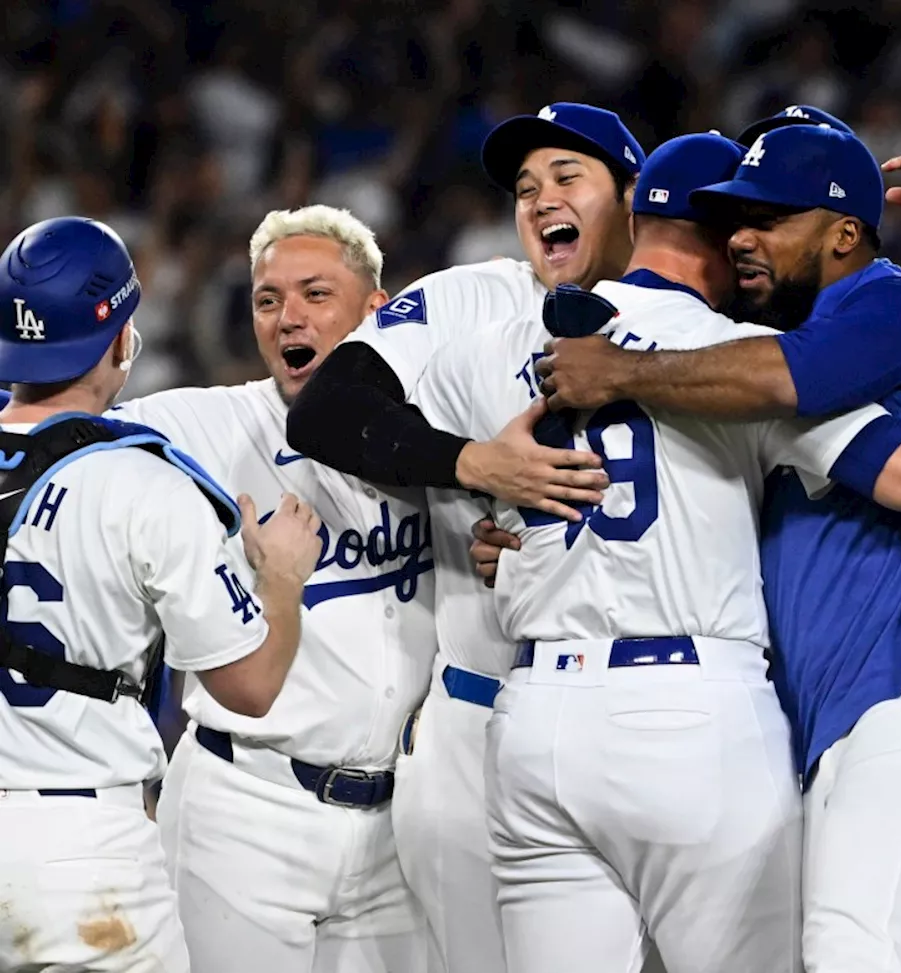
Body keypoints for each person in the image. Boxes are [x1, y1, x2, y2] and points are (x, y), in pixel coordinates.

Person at [328, 131, 901, 973]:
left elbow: (330, 413)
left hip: (534, 716)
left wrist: (473, 477)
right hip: (692, 711)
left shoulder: (499, 342)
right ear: (717, 240)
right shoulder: (730, 362)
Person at [535, 124, 901, 973]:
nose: (742, 237)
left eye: (769, 219)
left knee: (853, 948)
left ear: (843, 232)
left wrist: (618, 371)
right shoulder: (765, 360)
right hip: (849, 714)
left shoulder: (879, 309)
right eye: (734, 220)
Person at [111, 205, 594, 973]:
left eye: (313, 294)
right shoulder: (211, 424)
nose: (286, 317)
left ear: (377, 316)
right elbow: (59, 426)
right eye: (268, 299)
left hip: (392, 827)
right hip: (247, 807)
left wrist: (509, 552)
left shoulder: (439, 439)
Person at [287, 103, 642, 973]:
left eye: (568, 177)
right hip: (481, 722)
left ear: (634, 197)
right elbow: (326, 411)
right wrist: (475, 464)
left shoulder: (692, 322)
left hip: (658, 715)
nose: (539, 199)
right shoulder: (466, 297)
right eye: (526, 187)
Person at [0, 216, 320, 972]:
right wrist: (280, 580)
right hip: (80, 851)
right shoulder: (146, 482)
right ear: (119, 338)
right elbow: (249, 686)